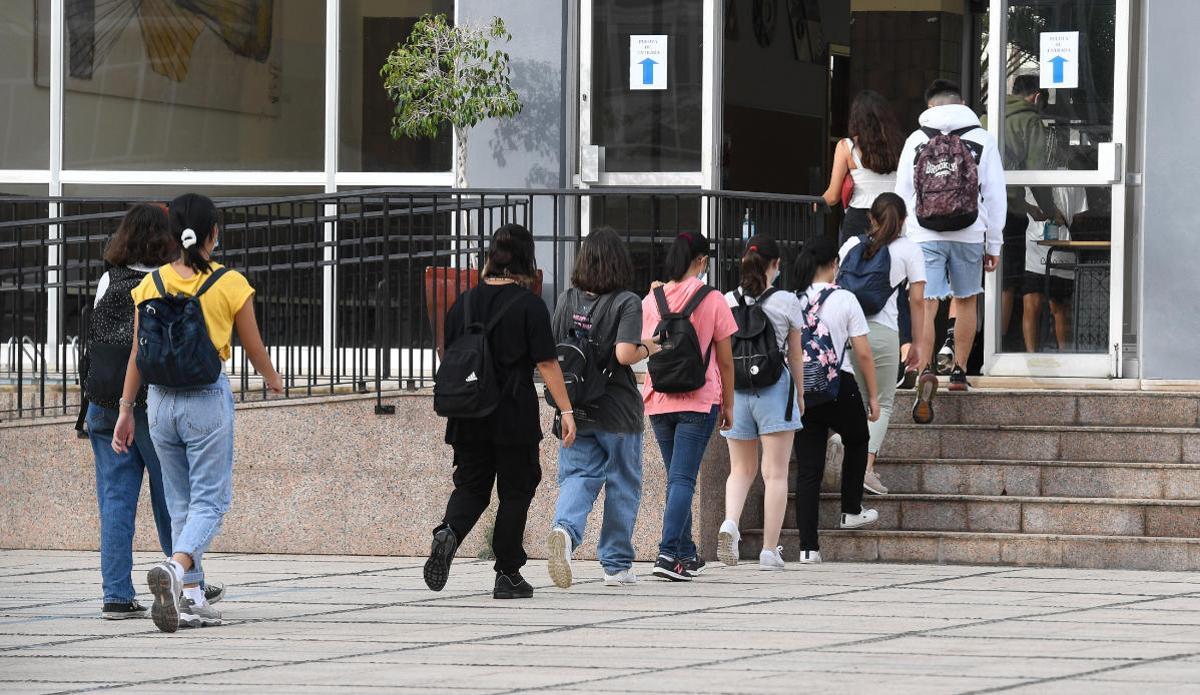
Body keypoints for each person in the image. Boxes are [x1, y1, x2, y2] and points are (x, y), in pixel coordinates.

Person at [113, 193, 283, 633]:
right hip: (206, 399)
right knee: (211, 501)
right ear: (213, 234)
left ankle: (189, 599)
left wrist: (126, 409)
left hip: (160, 403)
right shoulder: (230, 283)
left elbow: (137, 353)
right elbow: (252, 345)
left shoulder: (148, 285)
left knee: (180, 502)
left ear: (173, 235)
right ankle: (175, 567)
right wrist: (273, 378)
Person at [424, 223, 577, 600]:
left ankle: (449, 532)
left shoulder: (463, 302)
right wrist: (567, 410)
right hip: (512, 413)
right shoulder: (529, 305)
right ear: (527, 261)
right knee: (516, 489)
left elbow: (451, 355)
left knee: (472, 486)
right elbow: (547, 364)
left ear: (490, 259)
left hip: (468, 413)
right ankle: (507, 573)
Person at [82, 204, 221, 619]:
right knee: (174, 499)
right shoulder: (168, 282)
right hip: (151, 402)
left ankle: (117, 595)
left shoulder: (110, 278)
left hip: (102, 403)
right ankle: (183, 580)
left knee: (114, 499)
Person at [546, 228, 660, 589]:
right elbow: (624, 354)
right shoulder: (626, 301)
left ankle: (564, 532)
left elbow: (553, 352)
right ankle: (616, 564)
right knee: (623, 483)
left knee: (578, 476)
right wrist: (650, 348)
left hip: (574, 406)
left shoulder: (566, 299)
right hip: (617, 410)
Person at [896, 79, 1006, 409]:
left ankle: (926, 368)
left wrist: (902, 239)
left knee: (928, 302)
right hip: (970, 230)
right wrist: (994, 244)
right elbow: (996, 194)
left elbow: (902, 192)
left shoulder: (916, 139)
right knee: (967, 299)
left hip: (923, 231)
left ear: (931, 107)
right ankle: (958, 372)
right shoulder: (982, 139)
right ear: (960, 103)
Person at [642, 232, 737, 582]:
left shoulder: (651, 300)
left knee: (676, 479)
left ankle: (685, 552)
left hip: (658, 398)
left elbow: (644, 347)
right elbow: (726, 361)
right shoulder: (712, 299)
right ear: (700, 260)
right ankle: (668, 553)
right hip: (698, 399)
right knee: (682, 479)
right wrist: (729, 403)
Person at [716, 235, 805, 570]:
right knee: (775, 474)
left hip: (736, 391)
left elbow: (720, 351)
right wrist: (799, 394)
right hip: (773, 391)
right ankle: (769, 550)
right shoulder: (786, 301)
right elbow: (795, 354)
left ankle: (729, 524)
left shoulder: (726, 300)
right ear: (776, 265)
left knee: (740, 469)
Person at [793, 236, 881, 564]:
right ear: (833, 266)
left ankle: (807, 547)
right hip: (838, 383)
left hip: (802, 388)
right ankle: (851, 509)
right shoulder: (845, 298)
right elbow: (863, 354)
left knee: (808, 468)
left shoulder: (793, 300)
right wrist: (873, 396)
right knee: (858, 439)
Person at [838, 194, 927, 495]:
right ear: (903, 221)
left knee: (859, 399)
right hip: (883, 332)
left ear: (871, 219)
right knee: (882, 402)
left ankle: (841, 442)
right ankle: (865, 467)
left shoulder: (851, 245)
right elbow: (916, 300)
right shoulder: (909, 250)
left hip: (848, 333)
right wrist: (914, 340)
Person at [985, 74, 1065, 348]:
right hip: (1007, 214)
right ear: (1037, 97)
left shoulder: (988, 117)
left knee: (975, 280)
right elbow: (1036, 173)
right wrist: (1049, 209)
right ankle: (996, 347)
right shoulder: (1029, 120)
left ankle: (970, 348)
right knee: (1006, 281)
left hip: (976, 210)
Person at [820, 90, 906, 245]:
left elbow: (833, 197)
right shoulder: (902, 146)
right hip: (893, 215)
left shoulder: (846, 146)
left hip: (858, 218)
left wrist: (816, 203)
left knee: (854, 265)